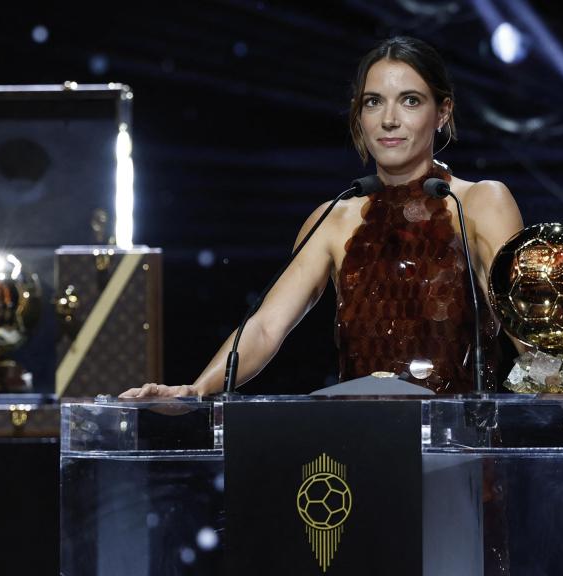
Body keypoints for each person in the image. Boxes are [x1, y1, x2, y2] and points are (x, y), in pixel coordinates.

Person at [120, 36, 523, 399]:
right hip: (363, 447)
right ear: (358, 115)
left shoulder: (481, 201)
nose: (389, 119)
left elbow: (529, 331)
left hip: (461, 452)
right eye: (373, 101)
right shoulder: (333, 217)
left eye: (410, 100)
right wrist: (197, 390)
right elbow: (264, 328)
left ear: (442, 112)